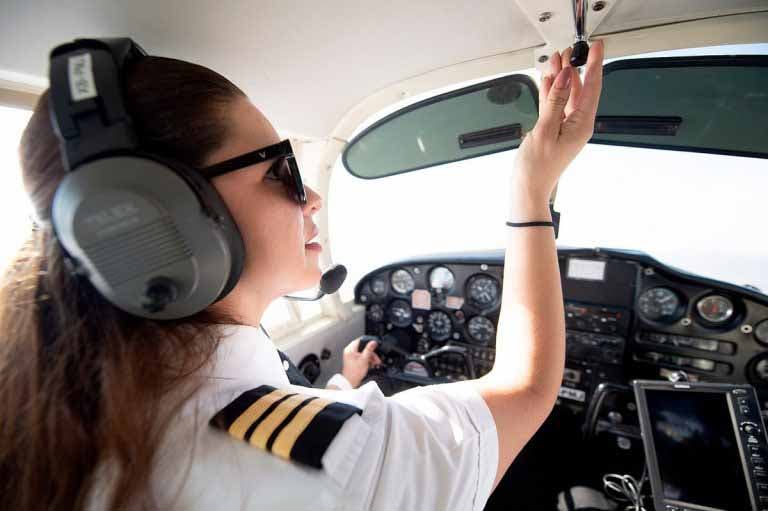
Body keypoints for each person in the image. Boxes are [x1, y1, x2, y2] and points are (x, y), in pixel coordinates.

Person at [0, 37, 604, 510]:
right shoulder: (349, 464)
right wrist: (532, 189)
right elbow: (526, 389)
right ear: (164, 217)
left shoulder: (60, 424)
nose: (312, 197)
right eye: (281, 169)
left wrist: (341, 386)